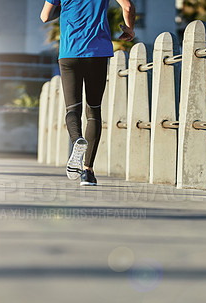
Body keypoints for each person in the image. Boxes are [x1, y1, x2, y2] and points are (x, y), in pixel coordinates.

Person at [41, 0, 136, 186]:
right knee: (94, 110)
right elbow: (128, 7)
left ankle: (77, 140)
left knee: (72, 108)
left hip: (70, 51)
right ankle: (88, 172)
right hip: (98, 52)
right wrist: (129, 29)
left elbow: (45, 16)